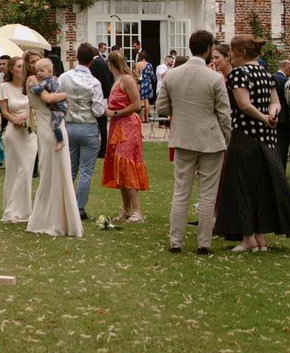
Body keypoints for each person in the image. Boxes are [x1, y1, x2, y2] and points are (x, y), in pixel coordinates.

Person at [213, 34, 290, 250]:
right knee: (261, 187)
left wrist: (264, 118)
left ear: (241, 53)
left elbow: (244, 105)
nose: (229, 57)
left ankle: (248, 239)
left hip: (245, 136)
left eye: (231, 53)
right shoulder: (266, 73)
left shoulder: (239, 74)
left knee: (242, 186)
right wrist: (270, 116)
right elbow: (275, 103)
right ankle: (261, 238)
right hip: (266, 138)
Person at [157, 29, 232, 254]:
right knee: (208, 194)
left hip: (183, 138)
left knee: (181, 192)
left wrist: (178, 115)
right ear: (209, 49)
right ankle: (204, 243)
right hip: (210, 140)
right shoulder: (215, 78)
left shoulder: (172, 75)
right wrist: (226, 138)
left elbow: (161, 108)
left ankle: (175, 241)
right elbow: (224, 115)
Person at [27, 54, 83, 238]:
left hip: (57, 126)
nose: (38, 68)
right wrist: (66, 94)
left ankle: (63, 219)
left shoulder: (51, 81)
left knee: (62, 172)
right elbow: (48, 99)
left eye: (40, 63)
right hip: (47, 129)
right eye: (33, 63)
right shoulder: (32, 82)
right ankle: (48, 219)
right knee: (49, 172)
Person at [102, 50, 149, 223]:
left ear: (110, 64)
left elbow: (136, 104)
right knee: (119, 166)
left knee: (127, 164)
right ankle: (126, 209)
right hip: (116, 126)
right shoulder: (117, 80)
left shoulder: (127, 79)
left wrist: (115, 112)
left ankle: (137, 211)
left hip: (127, 125)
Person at [59, 45, 106, 219]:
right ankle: (79, 208)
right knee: (86, 171)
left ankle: (65, 203)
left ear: (77, 57)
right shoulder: (94, 82)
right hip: (87, 127)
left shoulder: (64, 77)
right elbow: (99, 110)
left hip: (69, 125)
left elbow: (58, 99)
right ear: (92, 60)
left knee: (70, 168)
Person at [0, 54, 34, 223]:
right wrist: (15, 119)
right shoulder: (4, 86)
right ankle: (11, 210)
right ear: (11, 69)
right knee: (13, 170)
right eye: (18, 66)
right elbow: (4, 111)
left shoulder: (31, 86)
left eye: (23, 66)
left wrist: (26, 119)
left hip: (30, 132)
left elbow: (36, 107)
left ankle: (24, 210)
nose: (21, 69)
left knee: (26, 170)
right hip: (13, 131)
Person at [30, 58, 67, 151]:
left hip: (58, 107)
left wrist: (32, 88)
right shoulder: (54, 79)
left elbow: (38, 89)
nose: (39, 73)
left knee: (54, 123)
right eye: (37, 71)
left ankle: (60, 141)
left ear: (50, 71)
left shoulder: (46, 81)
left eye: (41, 71)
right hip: (61, 106)